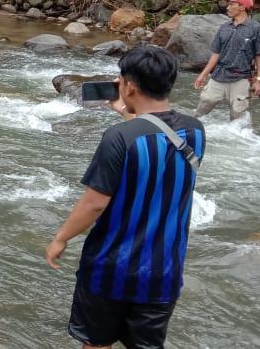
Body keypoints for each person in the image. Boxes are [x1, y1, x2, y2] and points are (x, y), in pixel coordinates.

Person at [45, 46, 206, 348]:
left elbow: (95, 203)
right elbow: (158, 138)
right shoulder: (196, 131)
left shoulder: (119, 137)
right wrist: (124, 109)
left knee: (95, 342)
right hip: (163, 271)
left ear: (129, 85)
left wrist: (61, 238)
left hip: (111, 269)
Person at [193, 0, 260, 122]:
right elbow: (216, 53)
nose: (227, 7)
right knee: (203, 106)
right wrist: (203, 75)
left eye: (232, 4)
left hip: (242, 78)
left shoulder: (256, 28)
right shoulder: (224, 27)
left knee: (239, 118)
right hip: (219, 75)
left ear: (242, 7)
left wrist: (259, 81)